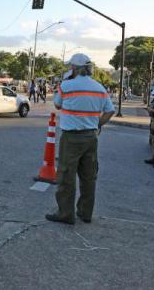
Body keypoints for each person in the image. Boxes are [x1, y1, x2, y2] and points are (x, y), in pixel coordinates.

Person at [46, 53, 115, 225]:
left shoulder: (67, 85)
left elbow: (57, 104)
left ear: (75, 68)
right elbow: (110, 111)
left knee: (66, 176)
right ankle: (85, 213)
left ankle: (65, 214)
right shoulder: (100, 88)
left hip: (71, 138)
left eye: (71, 67)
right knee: (88, 177)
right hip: (91, 137)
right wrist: (97, 124)